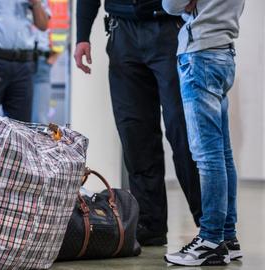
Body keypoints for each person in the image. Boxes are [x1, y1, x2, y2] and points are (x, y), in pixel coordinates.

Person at [74, 0, 202, 246]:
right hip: (122, 33)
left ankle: (210, 226)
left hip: (169, 28)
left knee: (184, 132)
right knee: (135, 135)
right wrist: (82, 37)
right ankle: (150, 223)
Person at [162, 0, 245, 266]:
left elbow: (171, 5)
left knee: (208, 155)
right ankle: (227, 237)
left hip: (200, 54)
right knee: (222, 152)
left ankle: (210, 241)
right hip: (224, 51)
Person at [31, 28, 60, 124]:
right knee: (15, 119)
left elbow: (61, 32)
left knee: (39, 119)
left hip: (41, 63)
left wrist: (53, 57)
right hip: (16, 60)